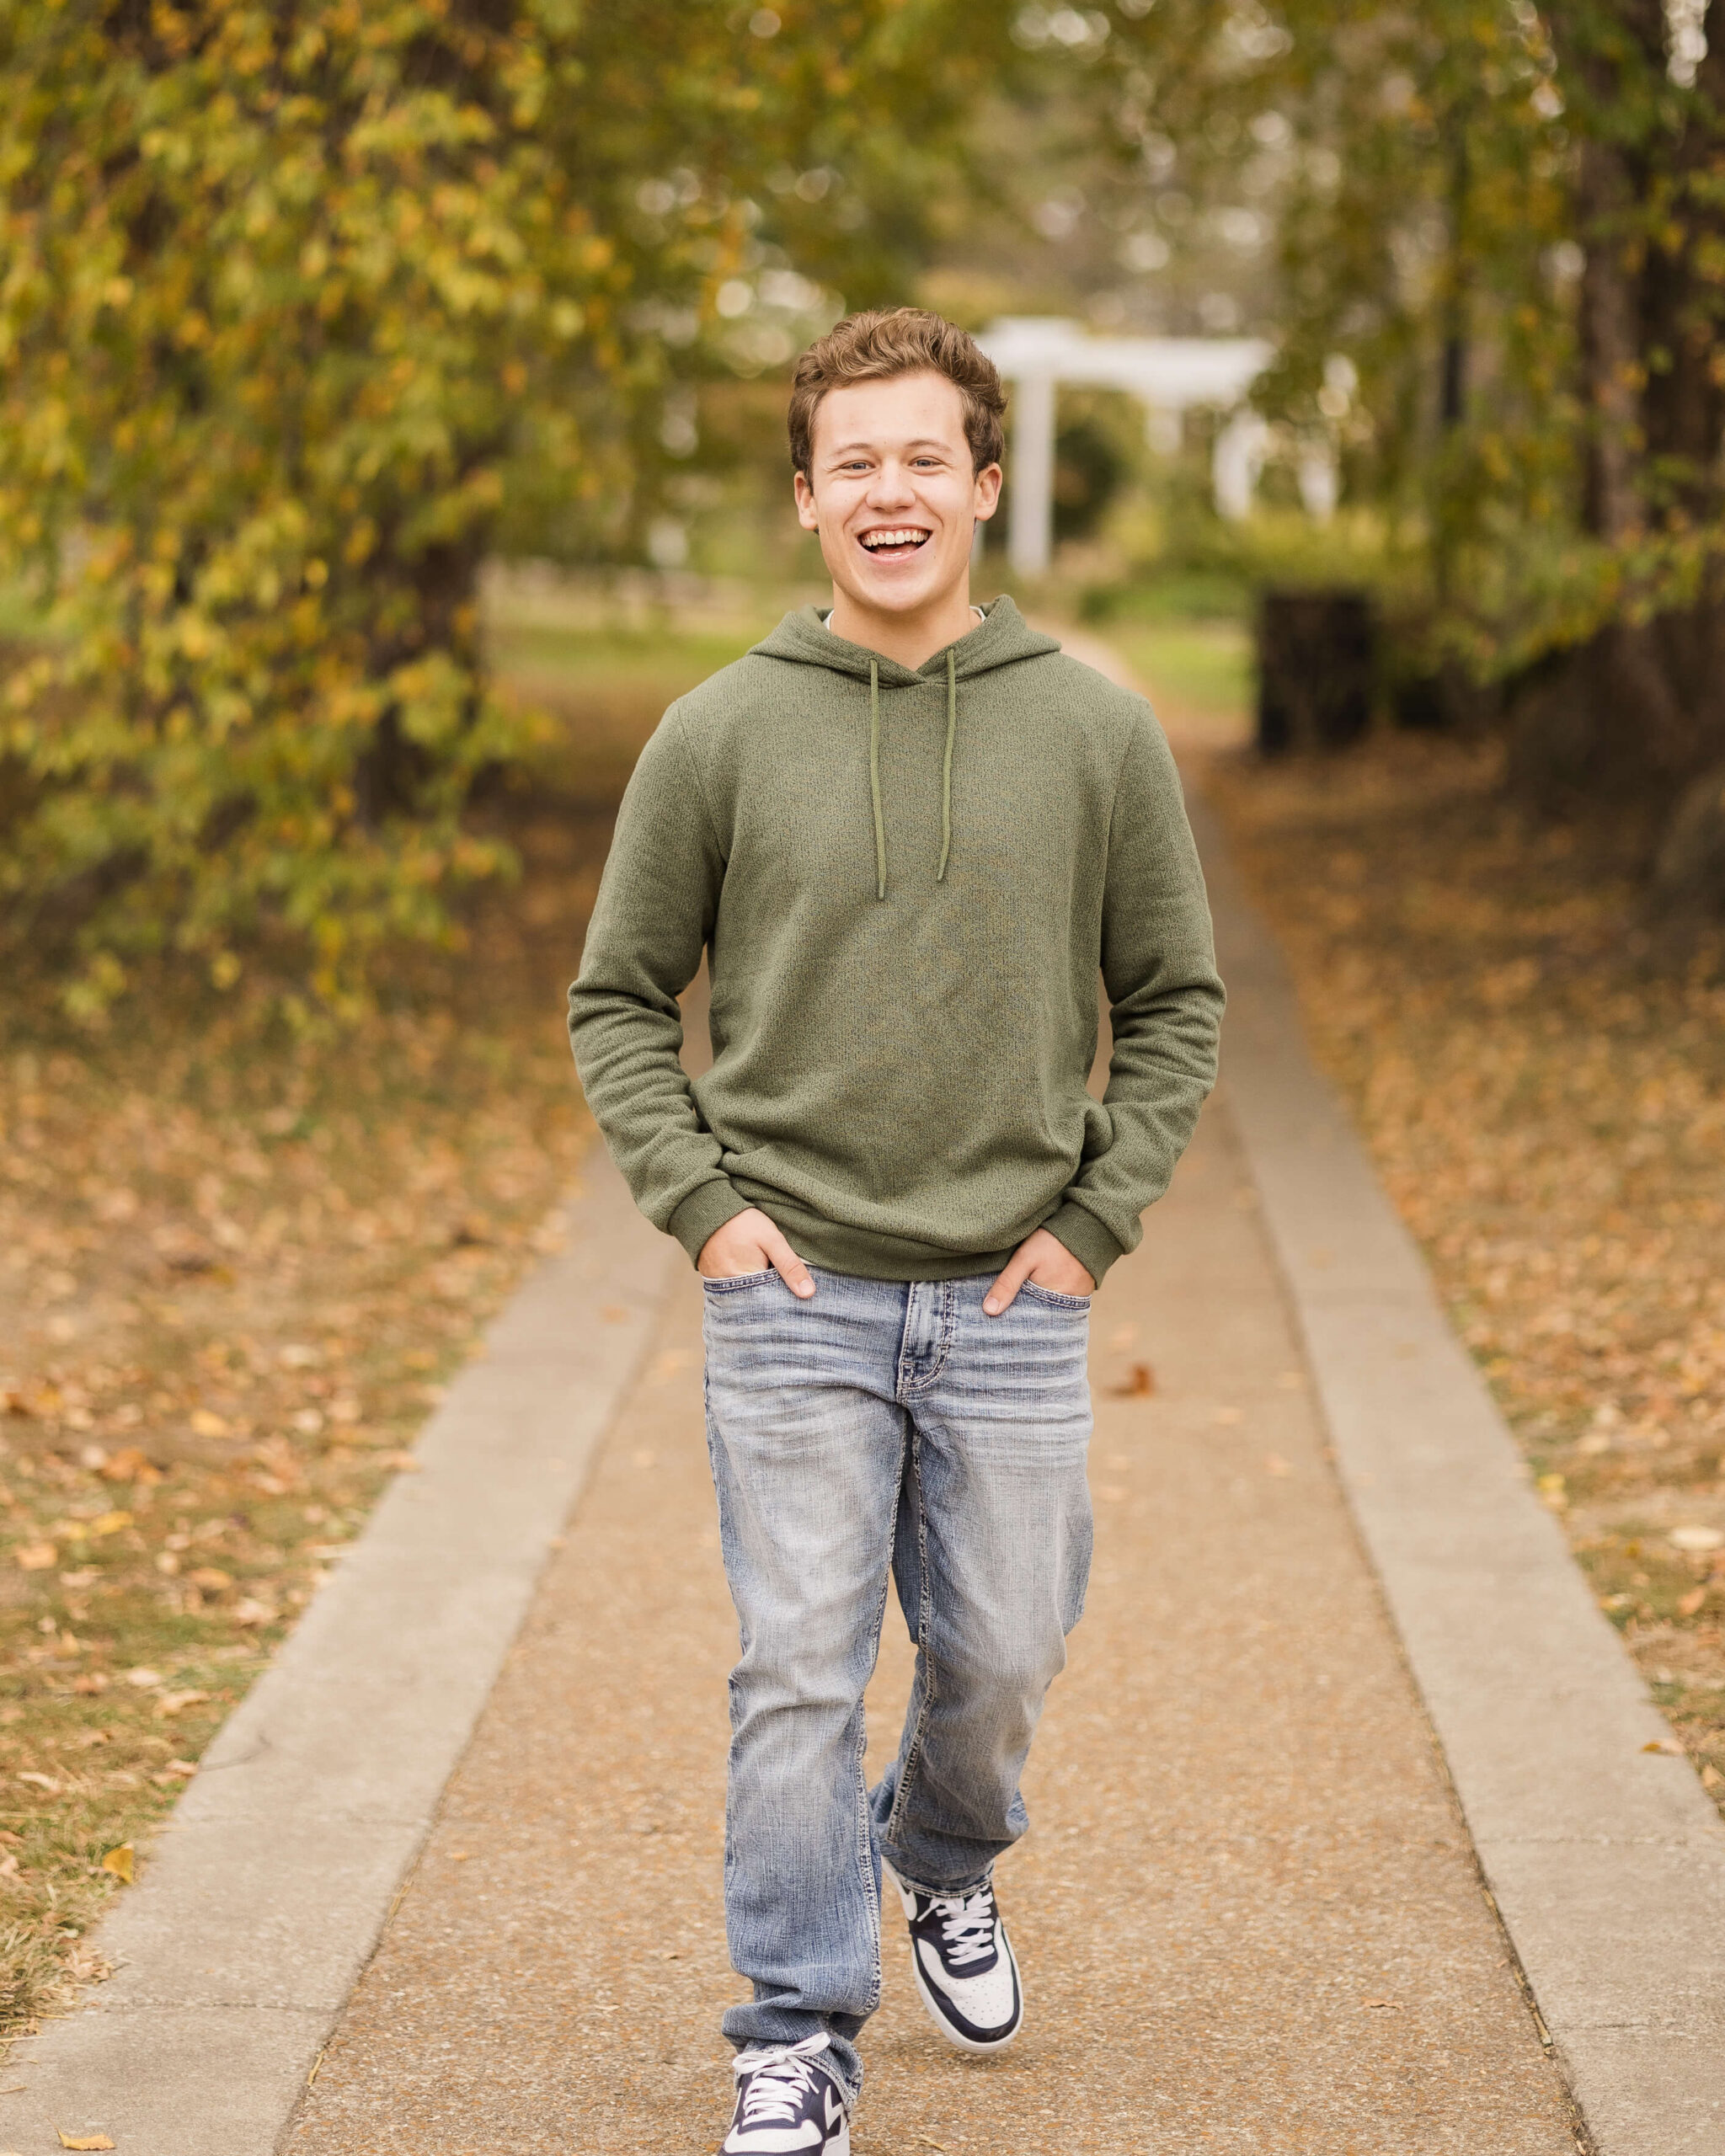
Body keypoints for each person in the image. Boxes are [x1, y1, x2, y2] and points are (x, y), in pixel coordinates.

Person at [569, 307, 1223, 2154]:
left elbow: (1174, 997)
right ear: (804, 497)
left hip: (1015, 1287)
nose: (889, 490)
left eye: (922, 455)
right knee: (796, 1664)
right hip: (791, 1286)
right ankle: (793, 2024)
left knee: (1004, 1649)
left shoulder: (1094, 730)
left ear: (984, 482)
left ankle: (939, 1859)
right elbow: (616, 996)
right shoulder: (717, 732)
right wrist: (701, 1210)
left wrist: (1097, 1220)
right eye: (852, 460)